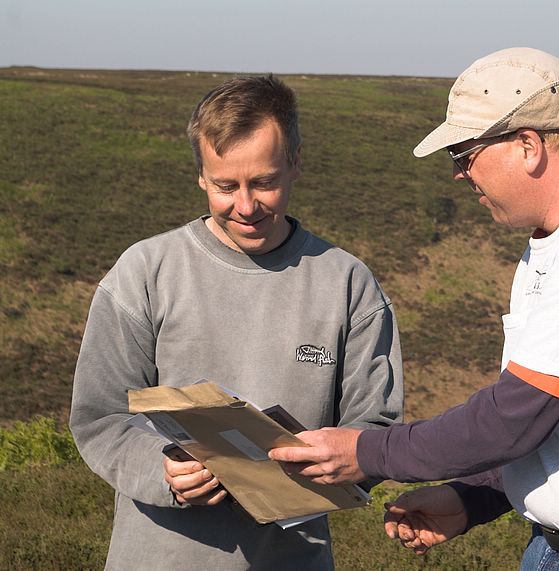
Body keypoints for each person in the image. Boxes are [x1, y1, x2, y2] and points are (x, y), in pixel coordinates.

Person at [269, 47, 559, 569]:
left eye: (464, 155)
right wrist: (475, 498)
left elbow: (514, 417)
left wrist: (364, 452)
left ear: (528, 145)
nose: (460, 175)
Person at [69, 75, 403, 570]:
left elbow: (374, 425)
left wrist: (333, 461)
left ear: (295, 164)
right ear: (201, 175)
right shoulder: (144, 272)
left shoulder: (347, 283)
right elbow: (101, 417)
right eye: (226, 186)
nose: (246, 207)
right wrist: (163, 471)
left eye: (264, 182)